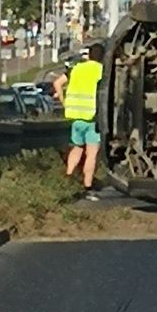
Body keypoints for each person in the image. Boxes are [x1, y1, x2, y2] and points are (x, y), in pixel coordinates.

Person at [54, 44, 104, 199]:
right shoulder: (101, 70)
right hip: (92, 117)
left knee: (77, 148)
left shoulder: (76, 69)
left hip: (75, 116)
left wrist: (64, 102)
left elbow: (57, 83)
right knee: (92, 153)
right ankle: (87, 186)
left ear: (88, 55)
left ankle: (68, 177)